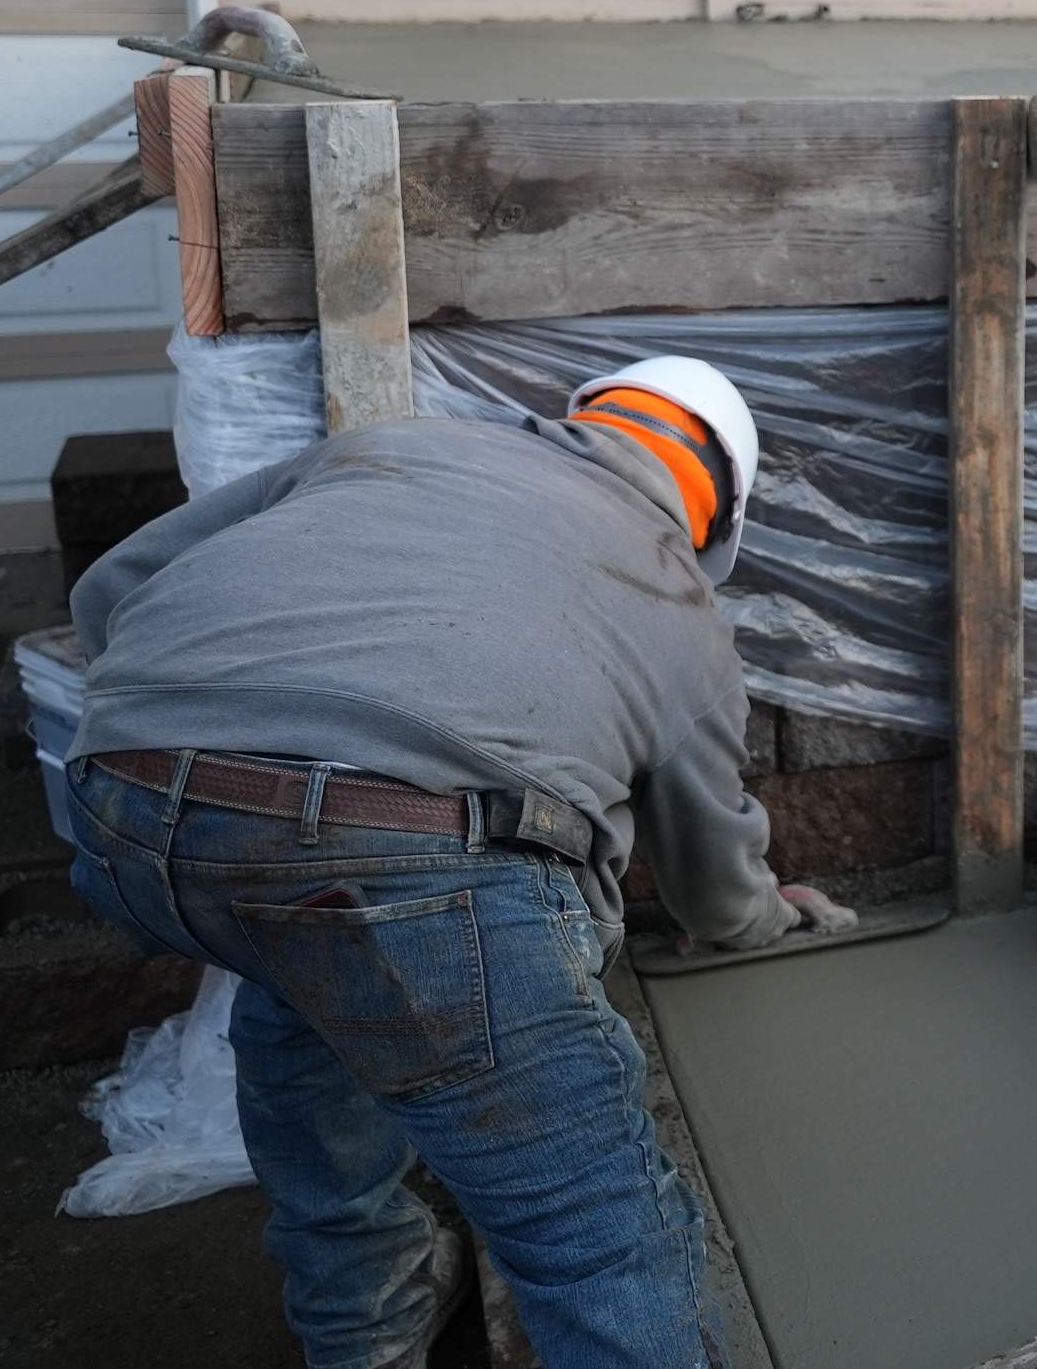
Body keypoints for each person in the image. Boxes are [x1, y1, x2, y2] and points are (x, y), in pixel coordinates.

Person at [61, 356, 852, 1369]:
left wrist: (194, 730)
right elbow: (711, 882)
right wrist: (764, 914)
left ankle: (366, 1326)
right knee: (598, 1236)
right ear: (716, 522)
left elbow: (112, 590)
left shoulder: (392, 448)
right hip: (410, 861)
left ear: (582, 421)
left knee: (308, 988)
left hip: (125, 818)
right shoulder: (680, 606)